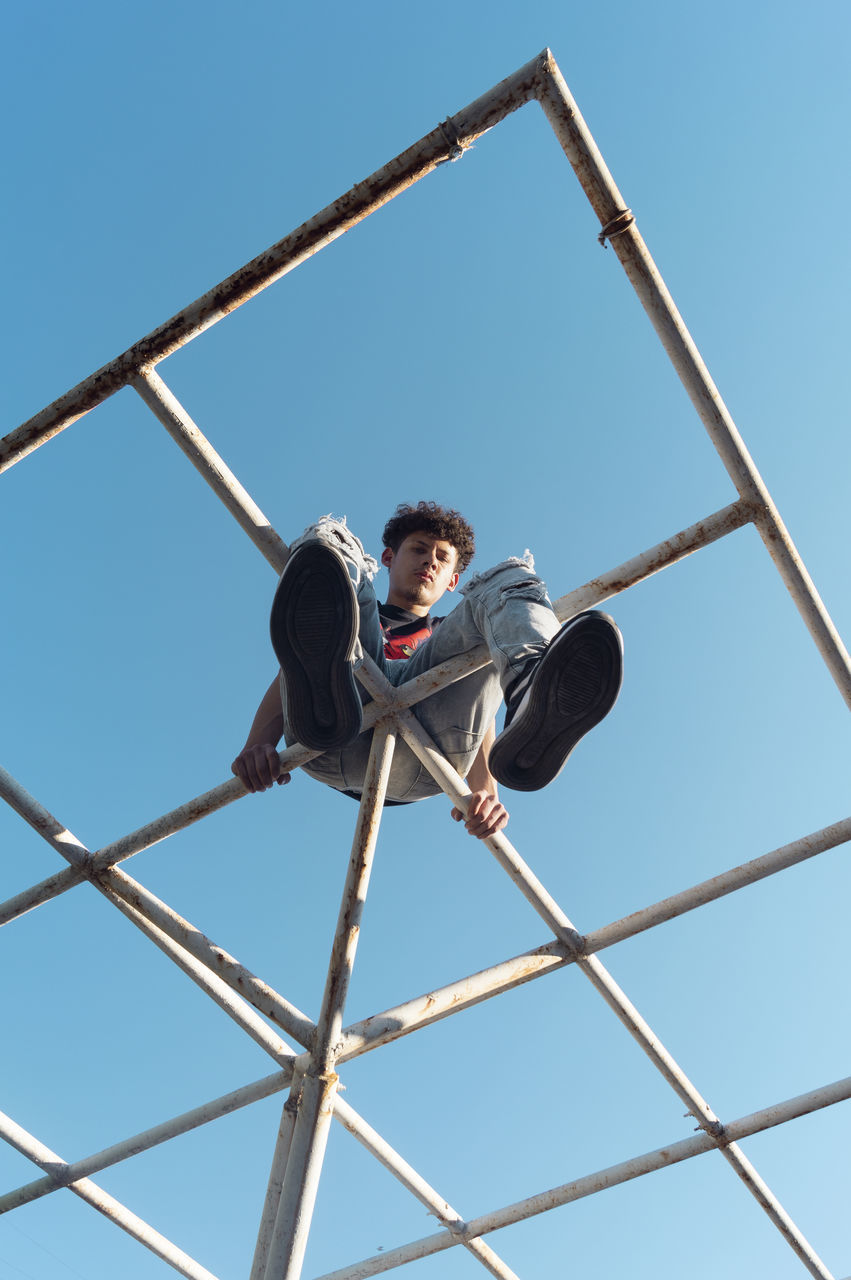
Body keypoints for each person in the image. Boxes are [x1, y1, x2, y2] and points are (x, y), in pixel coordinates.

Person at [231, 502, 623, 841]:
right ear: (388, 558)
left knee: (507, 578)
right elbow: (290, 668)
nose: (429, 561)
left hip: (428, 757)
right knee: (331, 545)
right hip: (330, 730)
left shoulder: (455, 638)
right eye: (418, 549)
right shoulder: (351, 611)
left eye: (442, 558)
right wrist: (258, 743)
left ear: (453, 581)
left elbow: (476, 710)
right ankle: (324, 685)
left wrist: (485, 790)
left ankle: (532, 690)